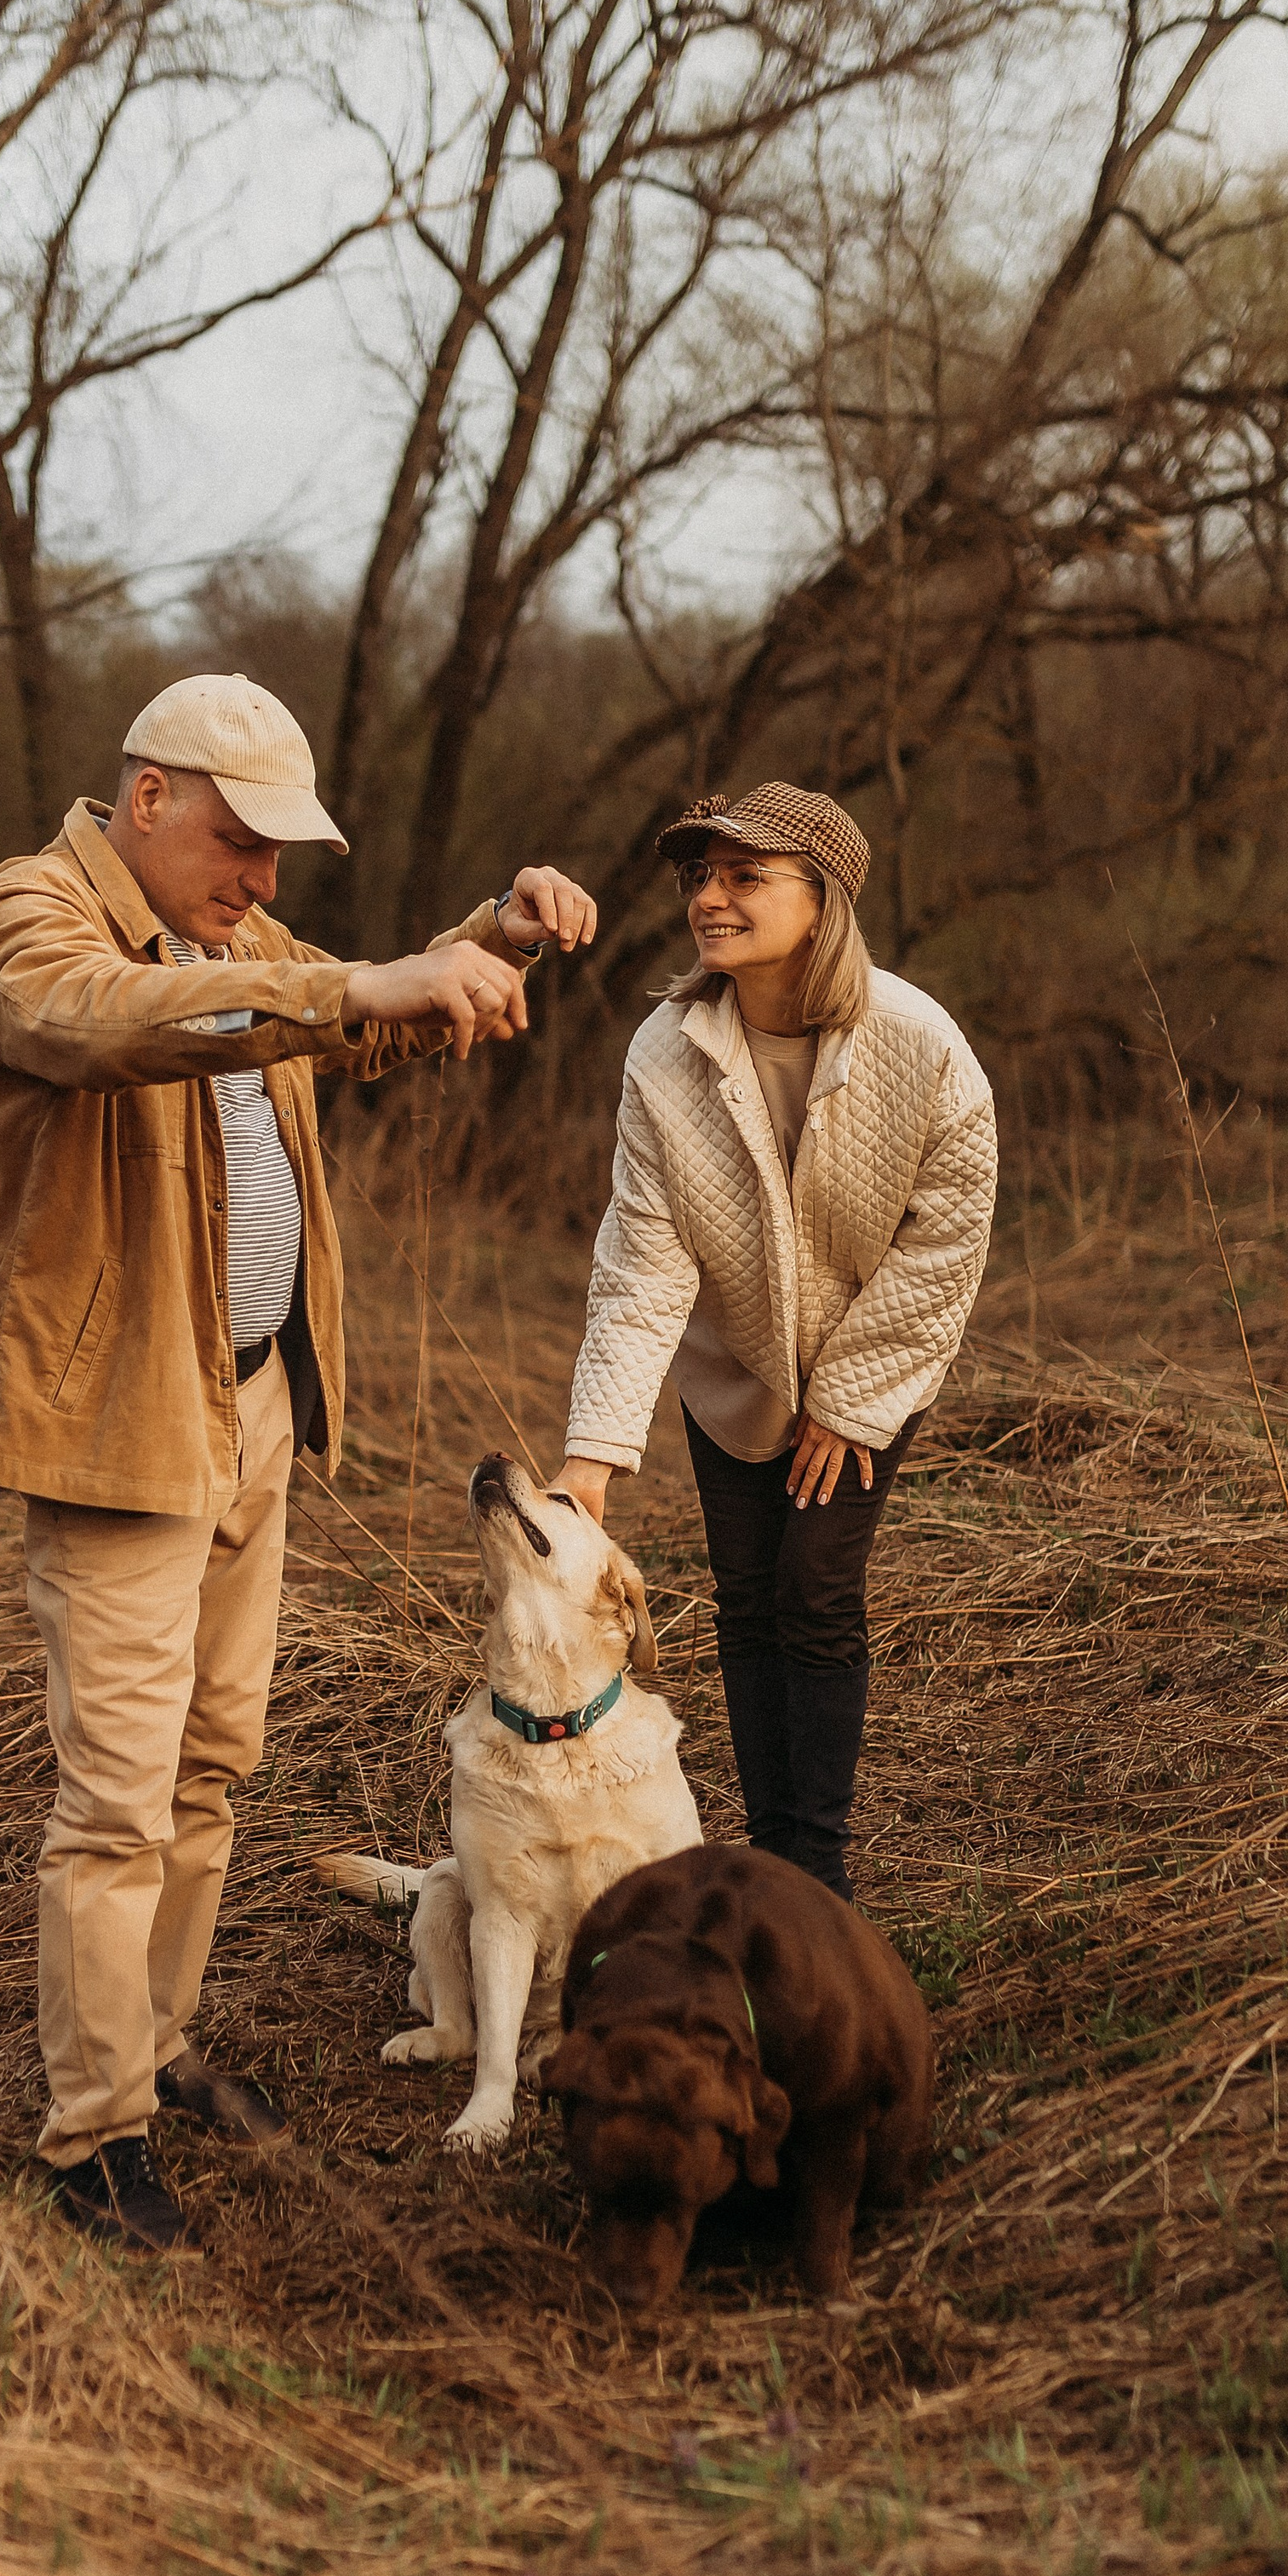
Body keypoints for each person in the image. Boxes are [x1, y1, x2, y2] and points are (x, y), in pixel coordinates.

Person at [0, 672, 596, 2251]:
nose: (263, 887)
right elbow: (105, 1028)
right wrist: (361, 985)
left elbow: (354, 1017)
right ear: (147, 798)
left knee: (212, 1766)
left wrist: (484, 943)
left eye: (283, 858)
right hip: (118, 1426)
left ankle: (154, 2050)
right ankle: (87, 2138)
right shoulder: (27, 920)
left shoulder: (236, 941)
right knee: (116, 1798)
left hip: (252, 1410)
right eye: (240, 845)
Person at [553, 783, 994, 1905]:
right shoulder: (666, 1053)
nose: (710, 897)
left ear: (824, 900)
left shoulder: (919, 1045)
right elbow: (643, 1262)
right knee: (747, 1596)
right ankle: (768, 1853)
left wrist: (849, 1399)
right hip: (733, 1371)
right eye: (700, 876)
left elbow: (947, 1235)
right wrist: (592, 1456)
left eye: (745, 877)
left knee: (814, 1587)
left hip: (871, 1366)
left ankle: (817, 1873)